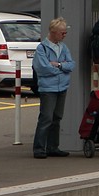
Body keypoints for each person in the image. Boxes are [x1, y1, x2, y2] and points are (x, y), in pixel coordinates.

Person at [32, 18, 75, 159]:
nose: (64, 35)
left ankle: (53, 147)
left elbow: (71, 64)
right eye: (62, 33)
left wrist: (58, 65)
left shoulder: (63, 47)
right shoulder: (41, 48)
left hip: (61, 87)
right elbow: (43, 68)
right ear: (54, 32)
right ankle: (39, 148)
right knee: (46, 118)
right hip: (48, 88)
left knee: (57, 117)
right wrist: (62, 68)